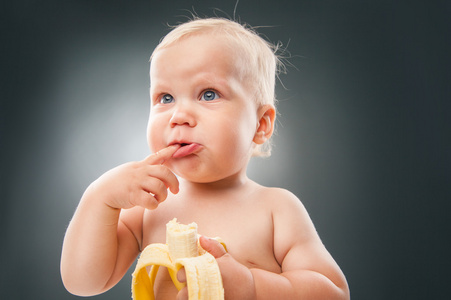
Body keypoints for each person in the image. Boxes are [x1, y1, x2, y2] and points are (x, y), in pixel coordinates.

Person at [60, 17, 350, 300]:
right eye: (166, 98)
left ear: (260, 125)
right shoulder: (148, 207)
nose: (179, 116)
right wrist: (99, 198)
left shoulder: (277, 210)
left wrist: (252, 287)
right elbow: (82, 283)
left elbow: (334, 293)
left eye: (208, 94)